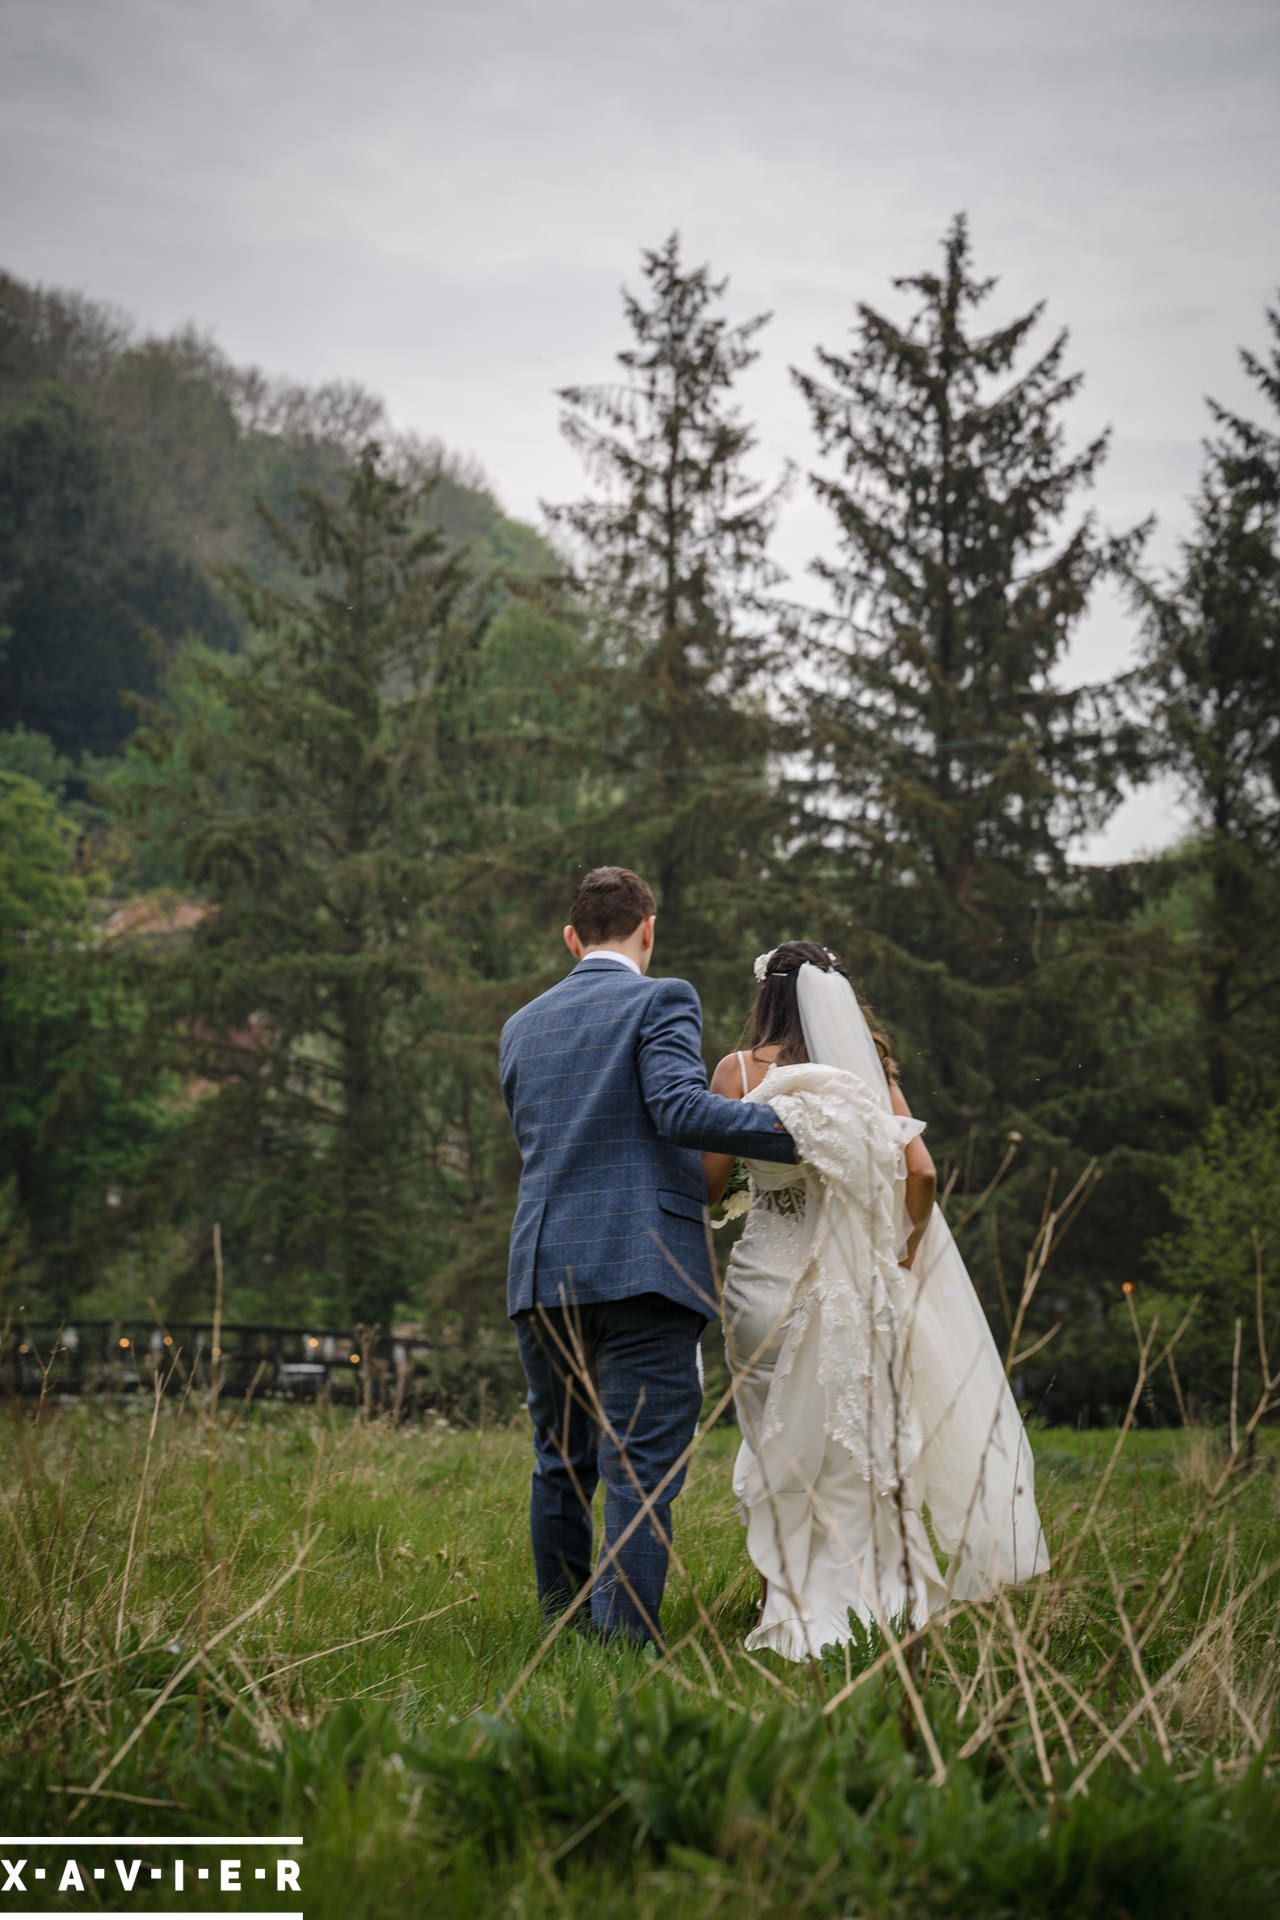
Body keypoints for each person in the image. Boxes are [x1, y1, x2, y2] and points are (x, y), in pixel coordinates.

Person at [703, 941, 1050, 1661]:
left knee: (773, 1437)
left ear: (764, 997)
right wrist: (905, 1247)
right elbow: (918, 1170)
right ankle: (874, 1595)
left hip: (763, 1283)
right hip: (849, 1286)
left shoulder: (736, 1072)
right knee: (849, 1441)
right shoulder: (864, 1074)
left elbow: (708, 1183)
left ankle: (783, 1591)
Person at [499, 866, 797, 1646]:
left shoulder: (521, 1025)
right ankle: (624, 1642)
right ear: (649, 929)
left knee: (560, 1461)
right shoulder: (662, 997)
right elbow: (673, 1106)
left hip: (541, 1267)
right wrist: (797, 1132)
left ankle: (565, 1636)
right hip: (644, 1265)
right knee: (640, 1466)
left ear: (572, 938)